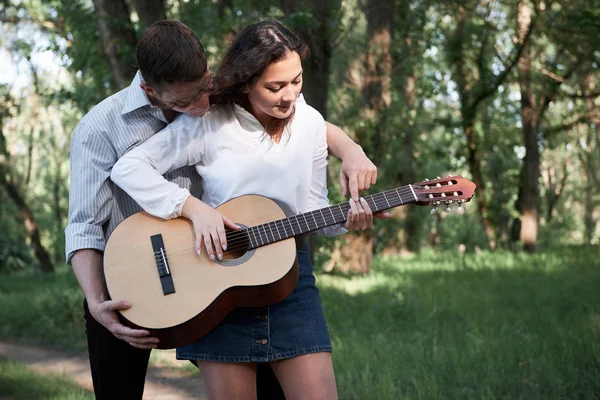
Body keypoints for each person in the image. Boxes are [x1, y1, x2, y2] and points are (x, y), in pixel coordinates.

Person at [66, 19, 381, 400]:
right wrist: (98, 302)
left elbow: (308, 177)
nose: (201, 106)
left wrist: (350, 156)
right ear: (151, 91)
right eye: (185, 102)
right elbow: (85, 224)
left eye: (205, 89)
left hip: (237, 275)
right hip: (130, 274)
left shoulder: (258, 113)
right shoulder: (104, 128)